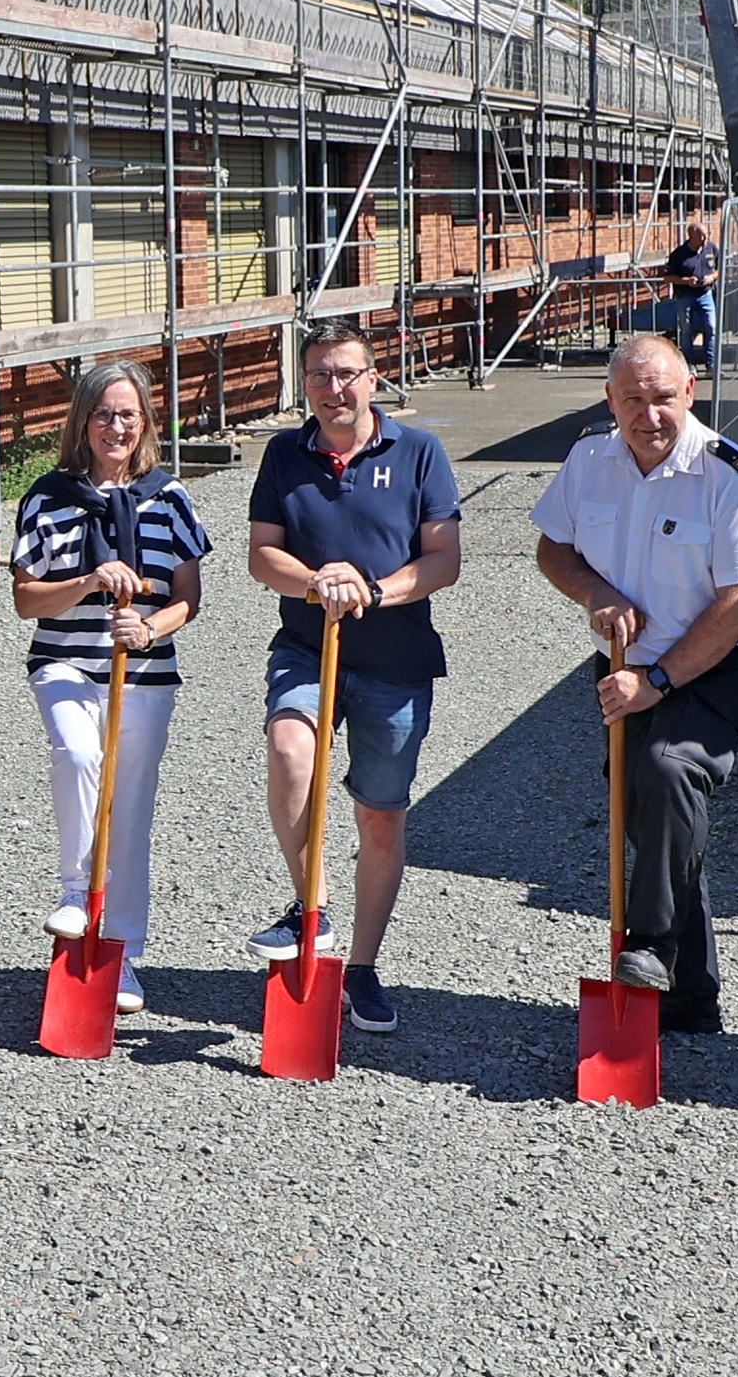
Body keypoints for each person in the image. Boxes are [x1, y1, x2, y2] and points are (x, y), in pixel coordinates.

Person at [532, 334, 738, 1031]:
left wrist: (659, 678)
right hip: (620, 665)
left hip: (713, 662)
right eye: (633, 399)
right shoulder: (589, 460)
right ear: (610, 399)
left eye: (664, 397)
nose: (649, 414)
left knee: (668, 769)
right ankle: (689, 996)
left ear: (690, 393)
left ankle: (648, 945)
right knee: (656, 818)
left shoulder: (731, 475)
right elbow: (552, 548)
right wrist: (595, 593)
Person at [244, 316, 462, 1034]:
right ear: (303, 383)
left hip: (395, 657)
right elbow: (262, 555)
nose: (332, 388)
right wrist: (317, 582)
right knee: (289, 749)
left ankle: (362, 968)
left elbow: (443, 560)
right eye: (318, 375)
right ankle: (313, 906)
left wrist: (371, 589)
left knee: (380, 816)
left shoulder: (419, 451)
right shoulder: (283, 453)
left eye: (345, 373)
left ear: (372, 378)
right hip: (307, 645)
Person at [9, 361, 209, 1019]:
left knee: (127, 818)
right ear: (82, 421)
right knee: (77, 754)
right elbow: (26, 599)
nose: (115, 427)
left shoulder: (169, 497)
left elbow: (189, 597)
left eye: (127, 414)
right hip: (64, 664)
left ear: (145, 421)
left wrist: (149, 627)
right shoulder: (47, 496)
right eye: (103, 414)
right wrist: (89, 582)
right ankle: (75, 892)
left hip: (144, 674)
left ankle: (120, 951)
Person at [662, 221, 718, 368]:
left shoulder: (711, 248)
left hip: (705, 293)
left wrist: (712, 277)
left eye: (706, 235)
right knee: (686, 330)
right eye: (700, 236)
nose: (704, 239)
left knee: (711, 327)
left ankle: (711, 363)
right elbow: (667, 277)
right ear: (691, 236)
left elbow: (720, 269)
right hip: (685, 295)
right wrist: (685, 281)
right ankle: (689, 363)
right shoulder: (679, 254)